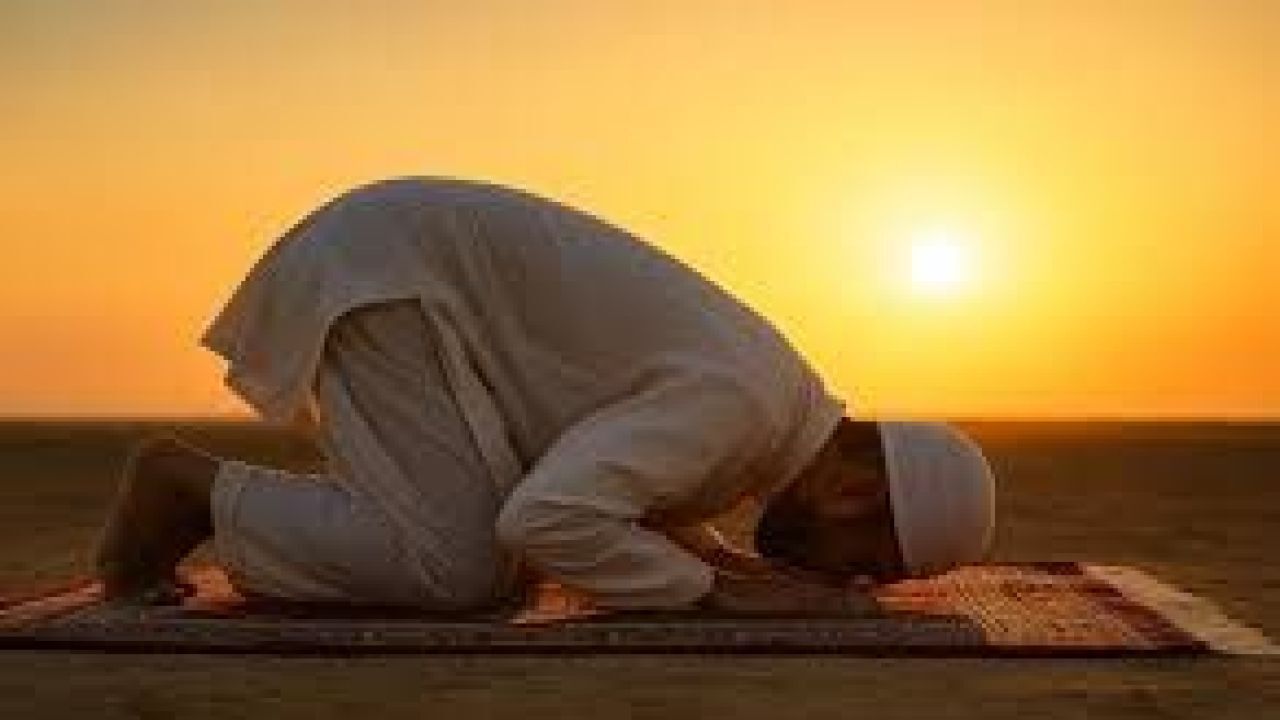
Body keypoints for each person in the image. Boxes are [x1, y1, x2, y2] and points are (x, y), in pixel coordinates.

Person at [91, 176, 996, 614]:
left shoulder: (769, 403)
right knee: (461, 572)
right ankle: (189, 488)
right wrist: (712, 595)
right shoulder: (743, 410)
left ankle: (232, 504)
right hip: (391, 277)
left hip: (399, 266)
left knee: (478, 556)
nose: (852, 583)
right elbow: (548, 519)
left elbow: (634, 475)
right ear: (855, 493)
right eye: (872, 564)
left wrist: (715, 562)